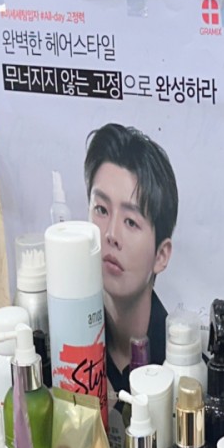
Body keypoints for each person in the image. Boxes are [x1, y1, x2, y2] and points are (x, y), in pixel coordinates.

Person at [84, 122, 178, 395]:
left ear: (161, 255)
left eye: (131, 222)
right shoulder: (69, 347)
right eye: (101, 210)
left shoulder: (180, 370)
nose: (111, 234)